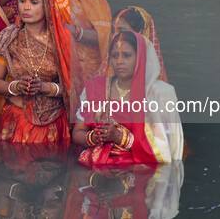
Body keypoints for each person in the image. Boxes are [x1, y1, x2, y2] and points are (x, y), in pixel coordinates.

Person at [73, 31, 184, 166]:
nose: (119, 61)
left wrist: (119, 137)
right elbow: (78, 132)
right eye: (115, 56)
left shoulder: (159, 93)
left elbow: (167, 148)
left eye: (126, 55)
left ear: (141, 58)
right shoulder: (95, 88)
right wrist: (94, 137)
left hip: (140, 170)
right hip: (94, 166)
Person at [0, 0, 75, 143]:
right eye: (22, 1)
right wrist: (16, 86)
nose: (26, 7)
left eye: (34, 2)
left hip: (55, 122)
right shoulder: (9, 37)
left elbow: (77, 88)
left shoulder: (62, 40)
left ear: (48, 5)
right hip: (16, 119)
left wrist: (46, 87)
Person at [110, 6, 169, 83]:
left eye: (122, 31)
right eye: (112, 31)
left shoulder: (156, 88)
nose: (114, 37)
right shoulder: (106, 65)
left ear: (140, 34)